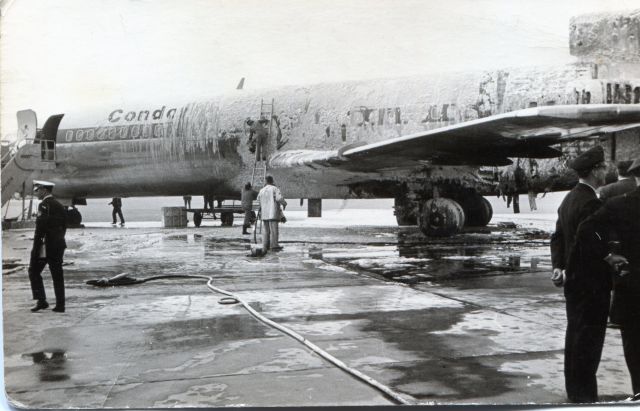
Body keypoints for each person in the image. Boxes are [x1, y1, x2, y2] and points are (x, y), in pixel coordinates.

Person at [571, 157, 640, 398]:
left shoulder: (619, 205)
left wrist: (608, 254)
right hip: (632, 290)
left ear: (636, 177)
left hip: (632, 288)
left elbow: (585, 230)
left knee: (635, 346)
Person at [550, 145, 609, 403]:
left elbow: (558, 236)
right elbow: (588, 248)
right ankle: (585, 399)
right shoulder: (592, 204)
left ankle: (575, 392)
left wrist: (558, 266)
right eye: (604, 167)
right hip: (591, 285)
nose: (607, 170)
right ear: (595, 171)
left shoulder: (569, 199)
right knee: (589, 343)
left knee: (575, 338)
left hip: (573, 285)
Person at [28, 180, 67, 313]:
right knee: (57, 275)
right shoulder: (59, 205)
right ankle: (60, 305)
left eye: (37, 190)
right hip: (58, 244)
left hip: (46, 246)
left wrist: (35, 248)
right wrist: (59, 239)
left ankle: (42, 300)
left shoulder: (44, 205)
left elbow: (40, 228)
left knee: (33, 271)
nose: (36, 193)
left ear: (44, 190)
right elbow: (64, 226)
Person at [257, 175, 287, 252]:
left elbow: (258, 200)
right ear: (272, 181)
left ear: (266, 181)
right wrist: (284, 203)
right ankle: (274, 245)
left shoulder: (261, 190)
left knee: (265, 230)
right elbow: (279, 198)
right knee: (274, 230)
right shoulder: (275, 189)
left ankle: (265, 245)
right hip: (273, 212)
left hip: (264, 213)